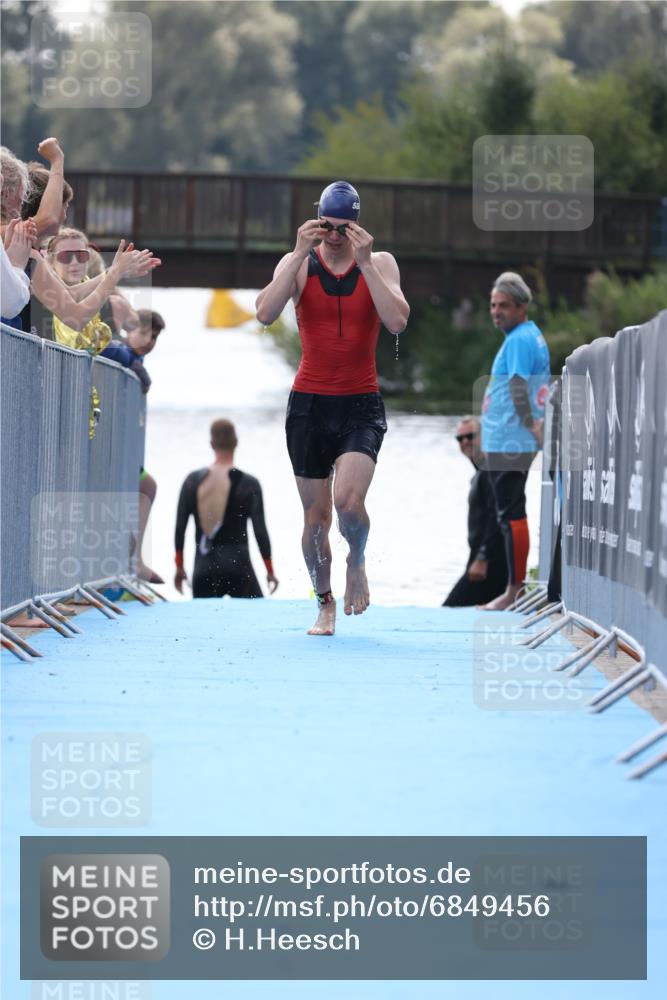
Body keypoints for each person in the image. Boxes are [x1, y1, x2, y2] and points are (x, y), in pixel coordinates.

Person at [255, 180, 409, 635]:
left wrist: (365, 265)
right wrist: (299, 254)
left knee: (349, 502)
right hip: (309, 405)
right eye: (327, 226)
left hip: (361, 403)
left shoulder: (379, 263)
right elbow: (264, 314)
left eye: (344, 227)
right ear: (317, 221)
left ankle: (356, 560)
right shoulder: (298, 263)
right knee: (317, 519)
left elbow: (397, 320)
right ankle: (324, 603)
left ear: (357, 225)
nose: (336, 235)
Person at [478, 271, 551, 611]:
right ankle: (515, 588)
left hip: (512, 438)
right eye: (493, 305)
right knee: (508, 511)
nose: (496, 311)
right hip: (507, 436)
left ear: (522, 307)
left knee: (510, 511)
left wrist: (530, 424)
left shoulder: (521, 338)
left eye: (504, 305)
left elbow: (519, 385)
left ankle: (514, 590)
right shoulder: (526, 335)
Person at [174, 419, 278, 599]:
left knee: (204, 625)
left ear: (211, 444)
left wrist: (179, 568)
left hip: (203, 569)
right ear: (236, 443)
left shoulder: (192, 481)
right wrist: (270, 570)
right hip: (239, 568)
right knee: (254, 620)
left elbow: (179, 529)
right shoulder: (249, 484)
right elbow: (260, 532)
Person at [443, 417, 508, 607]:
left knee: (450, 611)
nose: (465, 442)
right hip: (482, 558)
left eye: (470, 436)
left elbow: (498, 516)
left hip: (492, 562)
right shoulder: (482, 472)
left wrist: (482, 557)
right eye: (460, 438)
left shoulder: (491, 470)